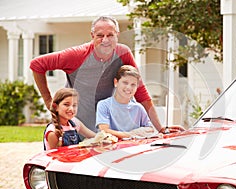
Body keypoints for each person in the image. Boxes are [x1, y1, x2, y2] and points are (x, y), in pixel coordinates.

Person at [30, 15, 164, 134]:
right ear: (92, 36)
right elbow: (37, 64)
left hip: (107, 125)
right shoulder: (76, 55)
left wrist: (161, 129)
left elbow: (141, 92)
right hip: (77, 123)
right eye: (100, 35)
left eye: (110, 35)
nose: (105, 40)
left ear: (117, 35)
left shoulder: (123, 53)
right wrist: (48, 101)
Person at [96, 65, 154, 139]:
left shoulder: (138, 108)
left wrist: (141, 130)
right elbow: (104, 131)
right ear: (116, 82)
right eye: (125, 83)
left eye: (133, 85)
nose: (129, 87)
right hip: (111, 149)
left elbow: (150, 129)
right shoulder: (104, 105)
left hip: (133, 148)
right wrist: (130, 134)